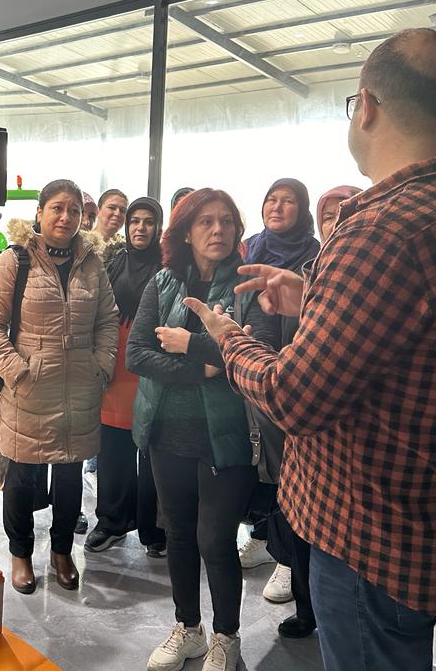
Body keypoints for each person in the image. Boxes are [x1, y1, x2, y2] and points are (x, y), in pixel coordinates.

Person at [185, 29, 436, 671]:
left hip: (368, 538)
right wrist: (317, 297)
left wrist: (226, 338)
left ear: (366, 106)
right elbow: (426, 336)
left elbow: (293, 397)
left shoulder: (381, 227)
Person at [127, 189, 280, 671]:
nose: (218, 230)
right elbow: (137, 354)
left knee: (215, 540)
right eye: (206, 222)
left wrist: (189, 343)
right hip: (165, 433)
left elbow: (260, 355)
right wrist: (206, 366)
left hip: (226, 436)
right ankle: (188, 628)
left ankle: (226, 637)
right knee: (178, 535)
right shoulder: (163, 282)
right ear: (186, 233)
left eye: (227, 221)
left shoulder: (250, 286)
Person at [0, 179, 119, 595]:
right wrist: (18, 373)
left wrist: (101, 367)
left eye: (74, 211)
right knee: (22, 477)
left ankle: (62, 551)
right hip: (27, 390)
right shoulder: (15, 260)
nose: (66, 218)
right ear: (40, 212)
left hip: (80, 388)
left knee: (69, 476)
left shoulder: (92, 263)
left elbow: (108, 320)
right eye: (57, 209)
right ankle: (21, 553)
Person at [238, 179, 322, 605]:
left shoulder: (315, 256)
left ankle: (288, 556)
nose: (277, 206)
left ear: (302, 209)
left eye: (288, 201)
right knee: (257, 465)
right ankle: (261, 533)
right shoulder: (249, 250)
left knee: (288, 467)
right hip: (247, 368)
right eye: (271, 199)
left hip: (290, 375)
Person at [86, 197, 166, 557]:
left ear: (158, 227)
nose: (140, 228)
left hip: (152, 371)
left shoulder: (169, 267)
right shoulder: (113, 261)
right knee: (113, 450)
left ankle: (154, 528)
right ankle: (111, 521)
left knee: (153, 455)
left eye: (148, 221)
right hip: (116, 369)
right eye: (135, 220)